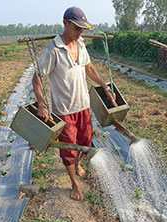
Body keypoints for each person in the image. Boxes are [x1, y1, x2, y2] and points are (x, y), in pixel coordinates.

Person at [32, 6, 116, 201]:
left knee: (86, 141)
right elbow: (37, 77)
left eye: (83, 29)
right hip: (64, 110)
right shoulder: (53, 50)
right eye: (77, 28)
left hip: (83, 106)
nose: (80, 32)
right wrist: (42, 104)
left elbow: (90, 68)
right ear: (65, 23)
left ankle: (78, 164)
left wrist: (105, 87)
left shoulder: (81, 44)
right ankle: (74, 182)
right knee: (68, 147)